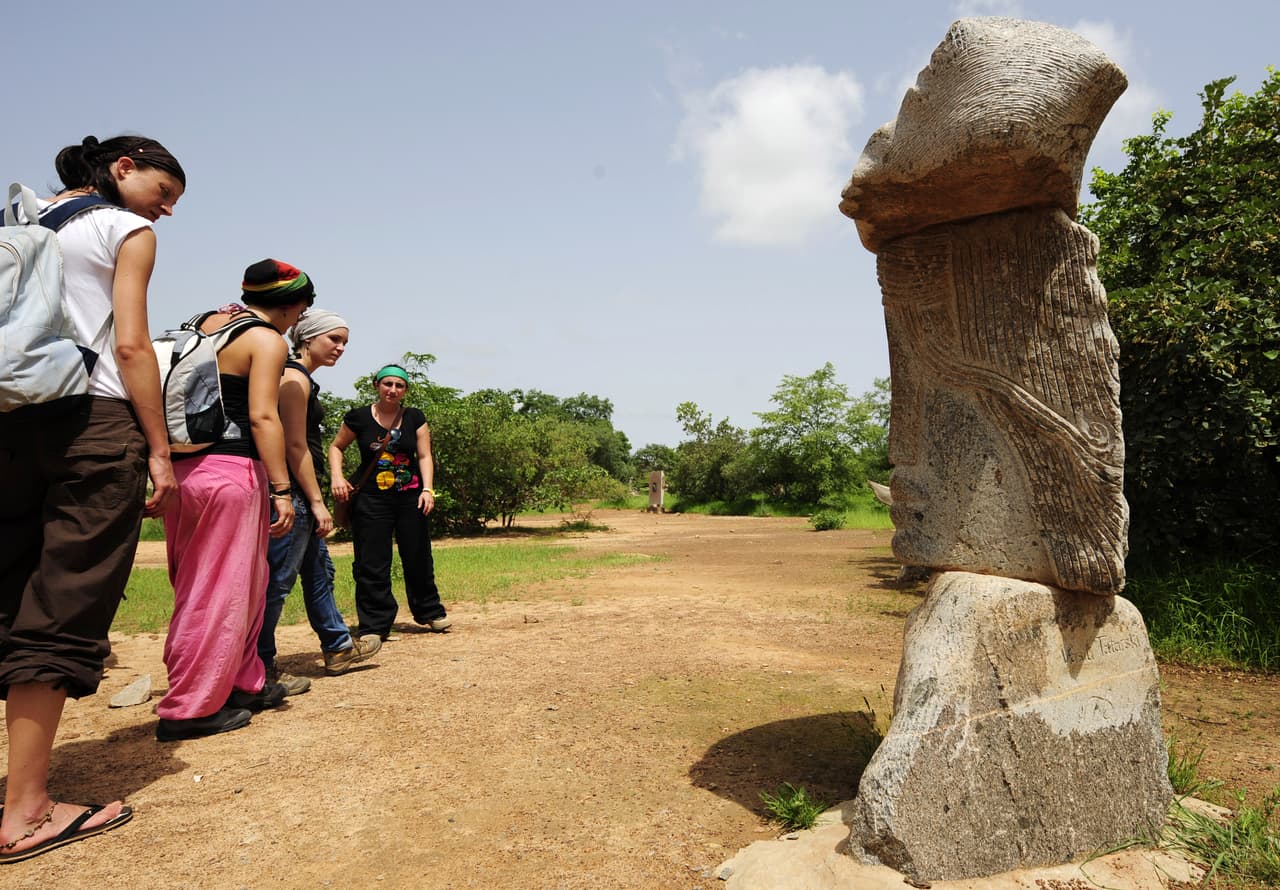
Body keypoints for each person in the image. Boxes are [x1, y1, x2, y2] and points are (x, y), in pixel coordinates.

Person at [0, 135, 185, 860]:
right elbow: (133, 346)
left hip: (11, 421)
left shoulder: (23, 219)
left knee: (11, 593)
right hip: (93, 422)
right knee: (64, 600)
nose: (165, 212)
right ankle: (26, 812)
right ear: (123, 168)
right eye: (164, 193)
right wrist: (160, 451)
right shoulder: (122, 229)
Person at [156, 260, 312, 741]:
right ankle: (188, 709)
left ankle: (244, 684)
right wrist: (282, 489)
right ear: (291, 305)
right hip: (230, 471)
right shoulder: (266, 340)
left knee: (242, 582)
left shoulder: (203, 324)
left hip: (184, 472)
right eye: (301, 309)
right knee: (217, 590)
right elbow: (265, 418)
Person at [257, 311, 382, 694]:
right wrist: (316, 501)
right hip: (291, 492)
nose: (340, 348)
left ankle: (338, 647)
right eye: (333, 340)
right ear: (307, 339)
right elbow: (296, 447)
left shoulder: (298, 377)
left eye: (345, 342)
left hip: (296, 490)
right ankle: (259, 668)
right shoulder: (294, 379)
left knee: (318, 572)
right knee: (277, 582)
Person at [329, 364, 451, 641]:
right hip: (370, 499)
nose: (392, 390)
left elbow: (424, 456)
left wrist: (428, 490)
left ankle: (429, 611)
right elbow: (336, 447)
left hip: (411, 496)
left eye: (399, 385)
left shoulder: (415, 418)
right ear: (376, 385)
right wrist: (337, 476)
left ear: (405, 389)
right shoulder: (358, 417)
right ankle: (374, 625)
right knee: (372, 562)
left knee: (418, 555)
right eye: (387, 384)